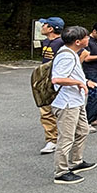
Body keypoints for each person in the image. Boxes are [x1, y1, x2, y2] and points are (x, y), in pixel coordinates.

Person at [51, 26, 97, 185]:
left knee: (83, 130)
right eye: (86, 37)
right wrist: (79, 82)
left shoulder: (71, 53)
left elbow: (72, 74)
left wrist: (84, 82)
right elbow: (57, 79)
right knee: (66, 138)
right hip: (67, 103)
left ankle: (76, 161)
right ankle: (61, 171)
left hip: (76, 101)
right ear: (78, 42)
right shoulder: (66, 56)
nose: (88, 38)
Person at [36, 16, 65, 154]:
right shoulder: (46, 41)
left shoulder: (62, 43)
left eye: (44, 25)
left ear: (51, 28)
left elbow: (81, 55)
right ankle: (51, 140)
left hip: (58, 81)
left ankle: (65, 138)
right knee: (45, 110)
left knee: (61, 110)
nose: (41, 27)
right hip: (45, 81)